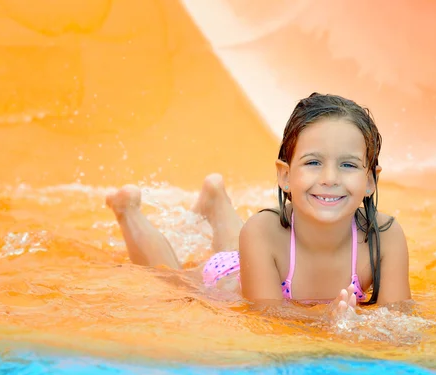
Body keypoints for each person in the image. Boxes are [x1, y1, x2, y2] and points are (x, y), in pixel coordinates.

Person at [106, 93, 411, 316]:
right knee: (171, 278)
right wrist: (327, 319)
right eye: (313, 162)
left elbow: (398, 322)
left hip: (253, 261)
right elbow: (267, 319)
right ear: (285, 175)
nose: (330, 178)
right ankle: (128, 210)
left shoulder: (385, 236)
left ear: (371, 180)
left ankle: (216, 198)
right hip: (225, 280)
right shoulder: (262, 231)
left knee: (234, 245)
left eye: (348, 165)